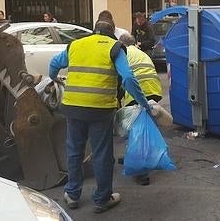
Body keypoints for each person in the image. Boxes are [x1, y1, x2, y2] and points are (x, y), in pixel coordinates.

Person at [49, 19, 151, 213]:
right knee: (102, 154)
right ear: (111, 32)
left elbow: (55, 63)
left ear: (94, 31)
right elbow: (128, 78)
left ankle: (72, 194)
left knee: (74, 151)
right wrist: (144, 103)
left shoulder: (76, 44)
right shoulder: (114, 47)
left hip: (73, 107)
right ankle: (102, 199)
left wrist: (53, 78)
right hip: (99, 110)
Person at [117, 31, 163, 186]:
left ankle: (142, 173)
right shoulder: (141, 53)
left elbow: (122, 78)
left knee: (137, 132)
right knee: (144, 129)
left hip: (137, 94)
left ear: (122, 44)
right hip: (154, 91)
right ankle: (136, 158)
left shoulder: (123, 54)